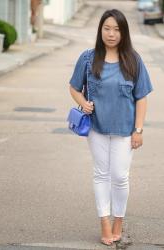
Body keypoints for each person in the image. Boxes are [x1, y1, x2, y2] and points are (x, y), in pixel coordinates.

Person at [68, 9, 153, 246]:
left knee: (120, 176)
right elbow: (74, 87)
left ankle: (118, 220)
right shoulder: (88, 58)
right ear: (100, 30)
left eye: (116, 29)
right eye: (107, 28)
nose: (111, 34)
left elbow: (142, 97)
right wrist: (83, 103)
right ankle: (104, 222)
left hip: (126, 130)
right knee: (101, 174)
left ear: (123, 32)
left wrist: (138, 131)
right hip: (96, 127)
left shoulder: (133, 60)